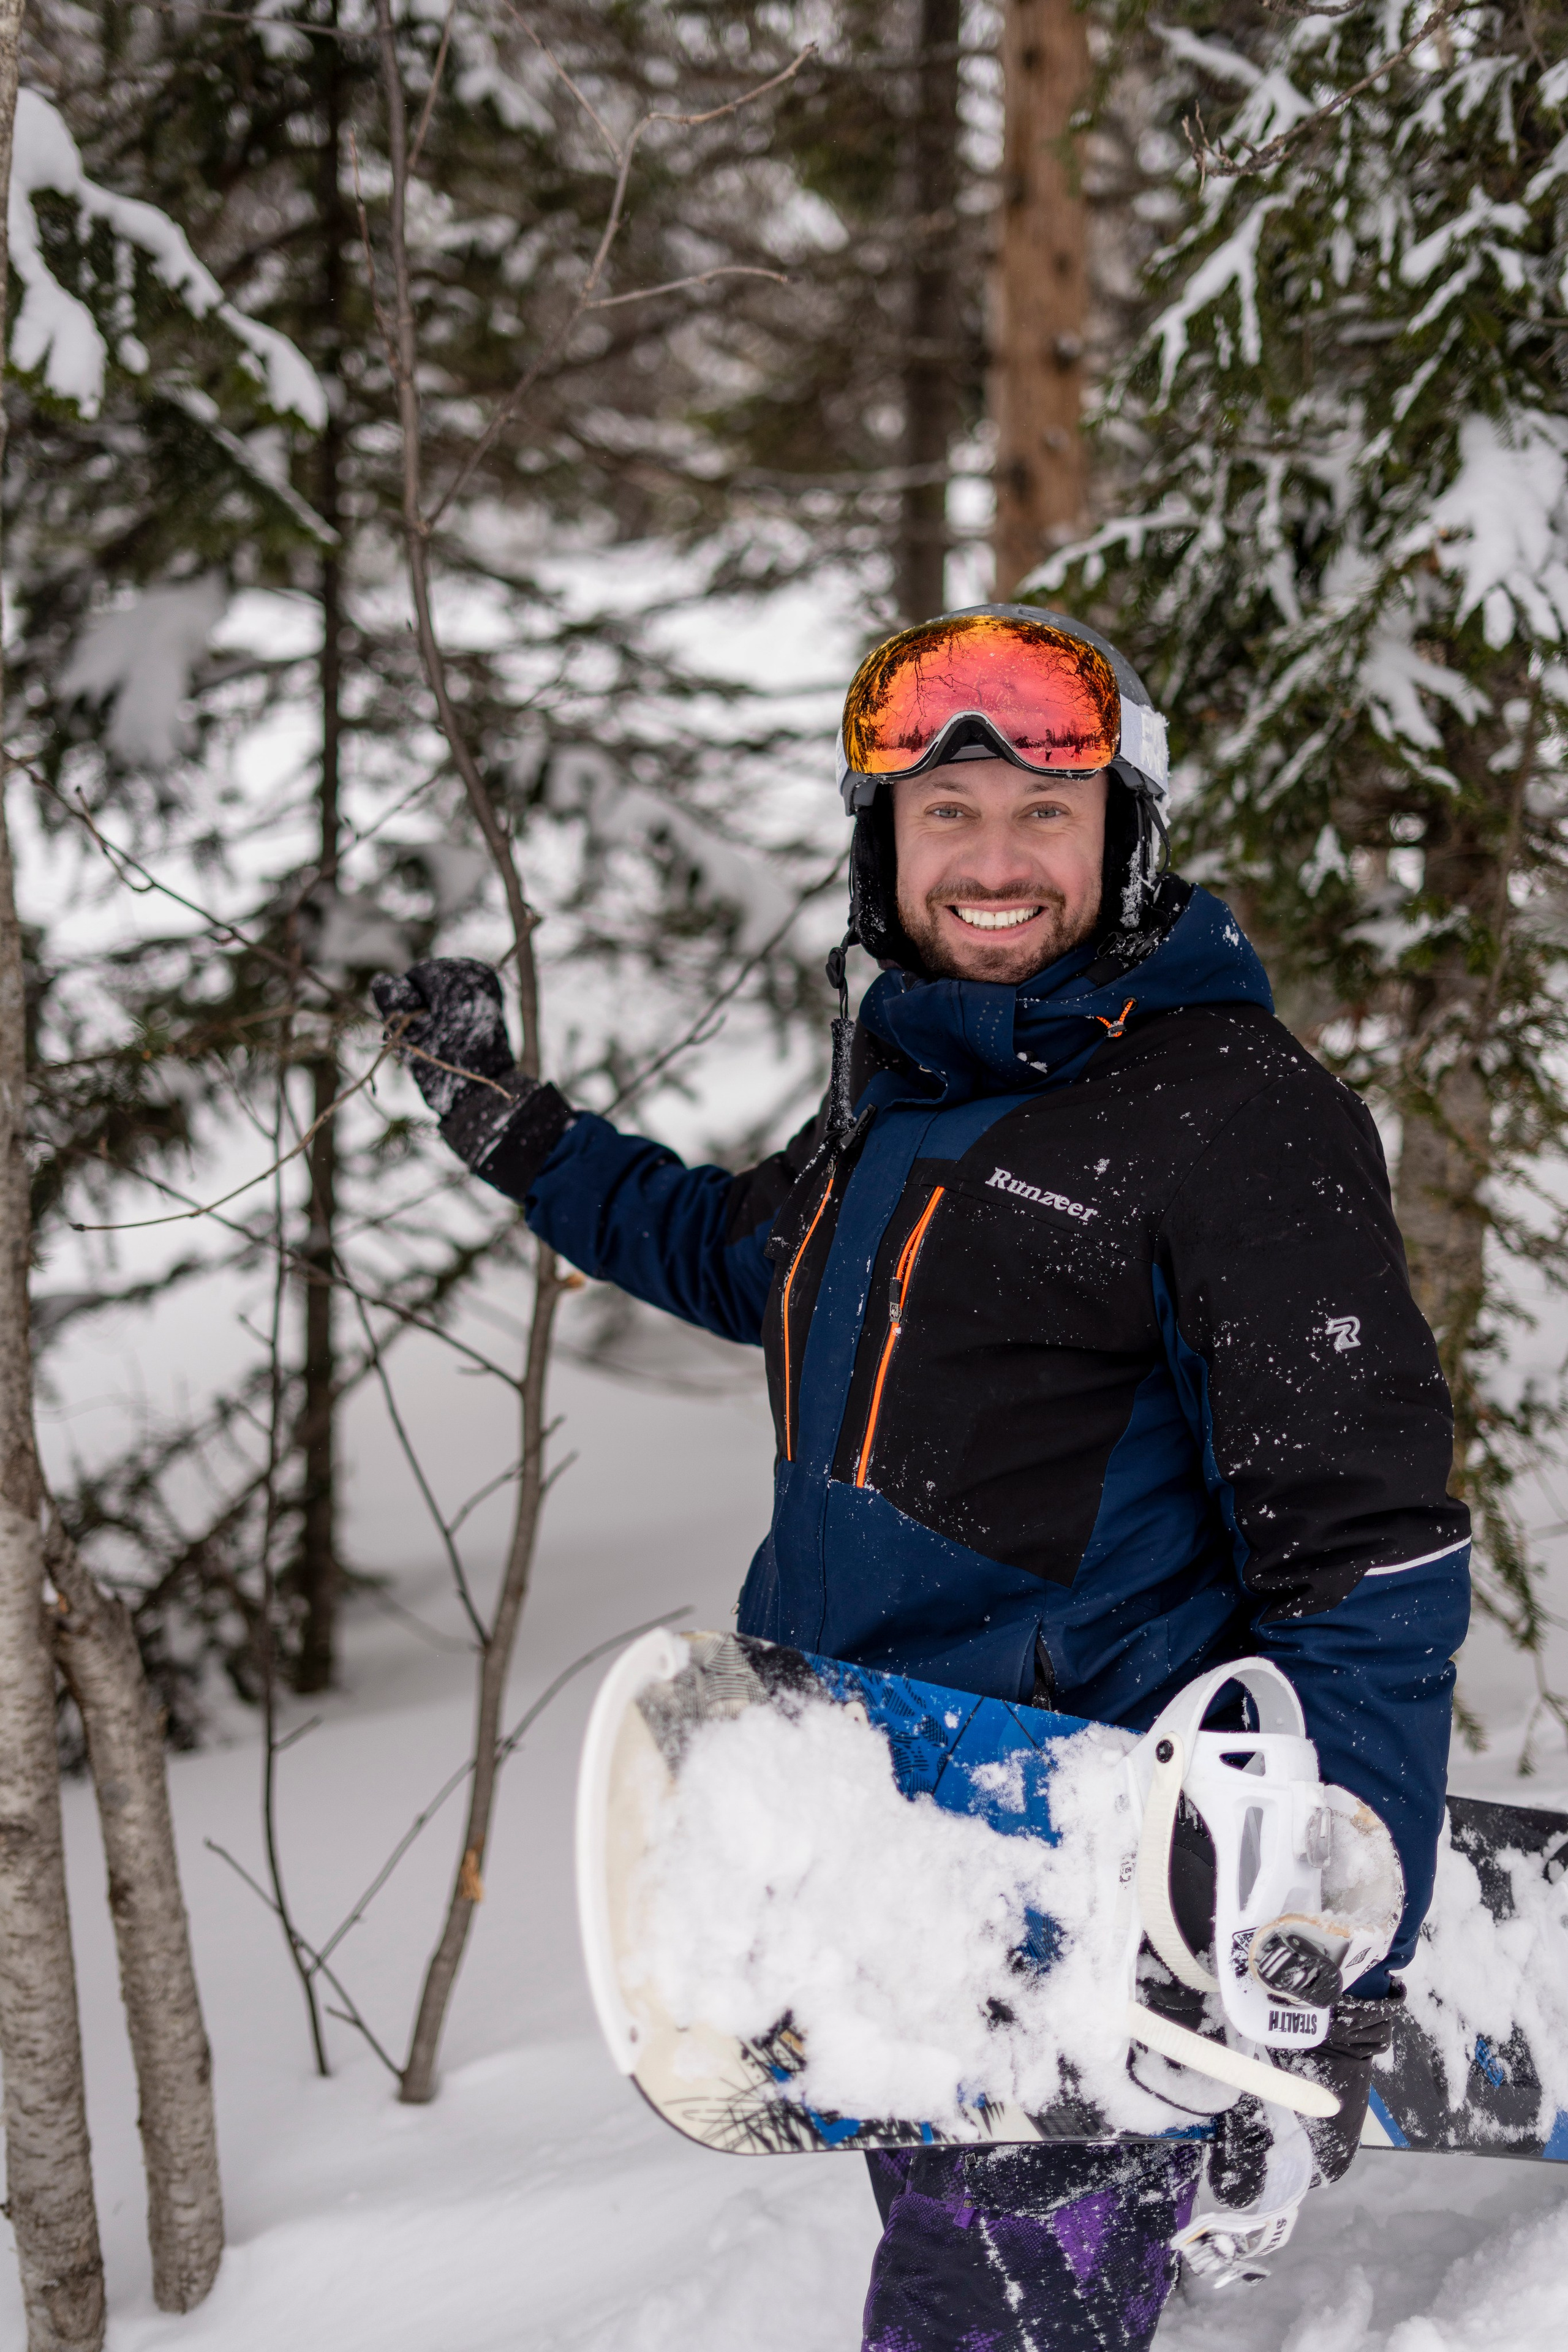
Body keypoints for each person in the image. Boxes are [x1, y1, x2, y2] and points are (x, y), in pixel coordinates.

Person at [373, 605, 1471, 2351]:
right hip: (883, 1826)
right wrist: (512, 1124)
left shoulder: (1231, 1112)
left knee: (979, 2311)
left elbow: (1372, 1552)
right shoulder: (910, 1093)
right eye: (945, 814)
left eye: (1048, 814)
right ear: (882, 846)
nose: (994, 859)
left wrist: (1322, 1929)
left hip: (1088, 1869)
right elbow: (747, 1258)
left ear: (1128, 841)